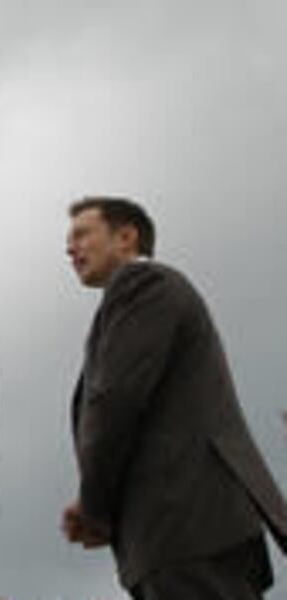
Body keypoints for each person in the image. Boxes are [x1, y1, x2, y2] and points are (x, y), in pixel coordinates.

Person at [62, 196, 287, 600]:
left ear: (126, 236)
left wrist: (95, 509)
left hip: (183, 526)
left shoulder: (142, 284)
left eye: (81, 234)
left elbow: (115, 400)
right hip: (190, 532)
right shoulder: (143, 296)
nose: (69, 247)